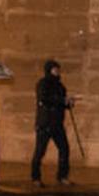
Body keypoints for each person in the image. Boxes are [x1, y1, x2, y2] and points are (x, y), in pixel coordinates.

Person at [31, 59, 74, 187]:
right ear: (49, 70)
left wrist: (68, 104)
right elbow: (44, 99)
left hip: (57, 124)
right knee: (40, 151)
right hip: (45, 123)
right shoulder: (42, 84)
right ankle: (35, 177)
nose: (57, 71)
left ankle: (62, 176)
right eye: (55, 69)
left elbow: (61, 103)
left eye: (58, 69)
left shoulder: (61, 86)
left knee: (64, 149)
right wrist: (62, 100)